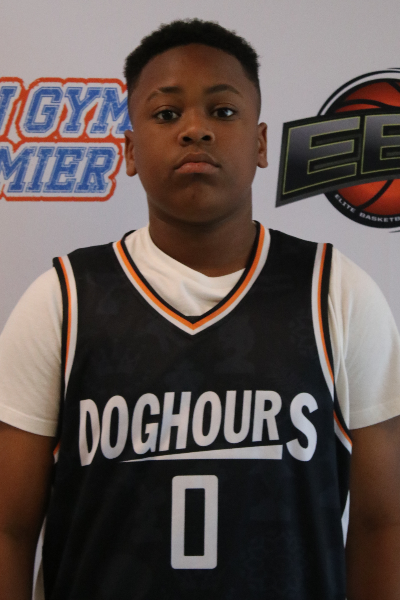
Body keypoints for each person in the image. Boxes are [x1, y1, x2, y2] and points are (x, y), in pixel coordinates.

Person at [1, 18, 400, 600]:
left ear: (261, 144)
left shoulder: (336, 290)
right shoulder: (63, 299)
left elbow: (383, 522)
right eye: (167, 114)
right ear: (130, 150)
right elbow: (9, 530)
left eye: (223, 111)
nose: (196, 130)